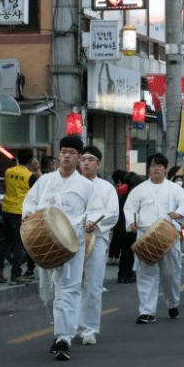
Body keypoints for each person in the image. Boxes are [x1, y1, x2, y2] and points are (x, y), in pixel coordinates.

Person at [22, 136, 102, 361]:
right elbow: (29, 202)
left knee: (69, 289)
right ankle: (62, 327)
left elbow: (95, 209)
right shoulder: (45, 181)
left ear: (78, 157)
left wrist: (92, 221)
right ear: (59, 155)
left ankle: (63, 338)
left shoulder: (86, 186)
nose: (67, 155)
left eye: (72, 152)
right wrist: (27, 214)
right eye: (64, 151)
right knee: (47, 294)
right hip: (44, 244)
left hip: (71, 245)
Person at [124, 153, 184, 324]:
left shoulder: (175, 189)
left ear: (165, 168)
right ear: (149, 168)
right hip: (146, 234)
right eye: (153, 165)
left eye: (159, 166)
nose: (156, 168)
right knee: (146, 273)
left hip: (168, 235)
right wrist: (133, 222)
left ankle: (172, 303)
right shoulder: (139, 190)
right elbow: (130, 208)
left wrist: (178, 215)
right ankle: (146, 311)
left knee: (170, 274)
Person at [76, 145, 119, 345]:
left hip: (97, 239)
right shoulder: (69, 185)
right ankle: (70, 324)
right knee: (70, 284)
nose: (85, 163)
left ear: (98, 164)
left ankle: (89, 328)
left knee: (92, 284)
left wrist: (95, 223)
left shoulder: (106, 188)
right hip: (71, 240)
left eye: (90, 159)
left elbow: (113, 213)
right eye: (83, 159)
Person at [0, 148, 40, 285]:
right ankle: (15, 275)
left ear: (18, 159)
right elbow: (40, 191)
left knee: (7, 240)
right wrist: (36, 170)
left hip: (6, 209)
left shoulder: (8, 172)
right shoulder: (31, 176)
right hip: (20, 213)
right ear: (31, 162)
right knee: (19, 245)